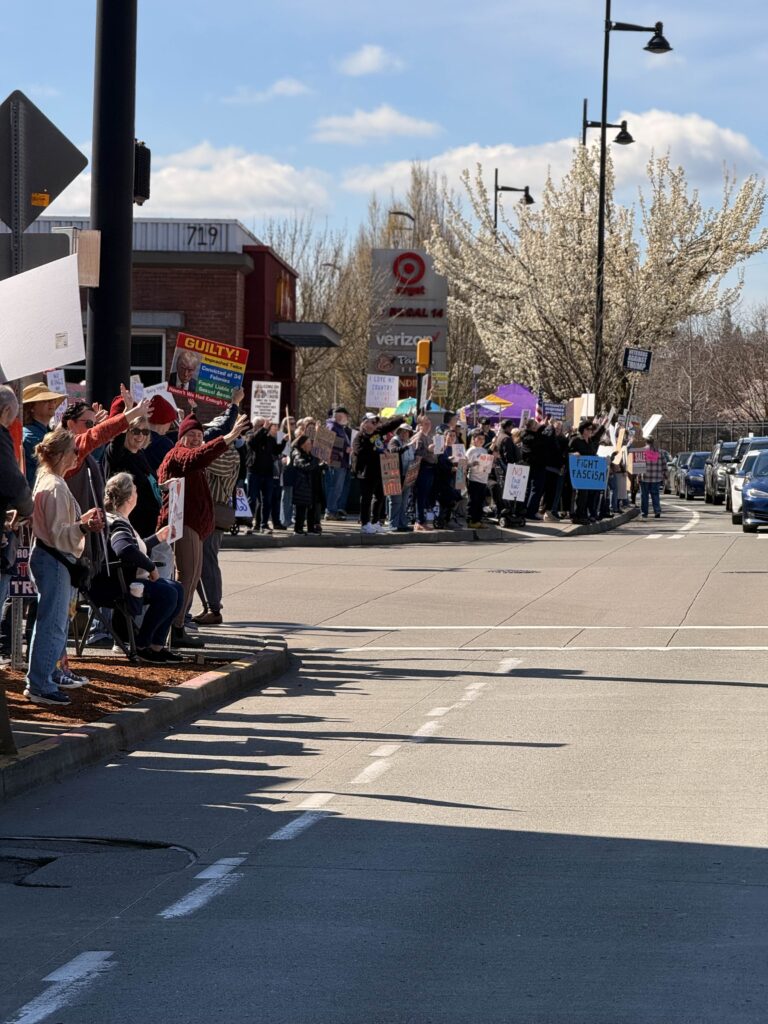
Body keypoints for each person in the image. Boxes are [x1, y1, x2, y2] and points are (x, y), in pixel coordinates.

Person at [157, 410, 249, 649]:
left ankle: (178, 627)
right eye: (191, 434)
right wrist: (228, 437)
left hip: (195, 525)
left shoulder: (192, 456)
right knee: (186, 576)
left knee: (192, 575)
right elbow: (198, 457)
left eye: (199, 435)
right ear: (181, 437)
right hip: (183, 523)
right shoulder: (179, 454)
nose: (196, 438)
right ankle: (174, 628)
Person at [26, 428, 104, 706]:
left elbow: (54, 528)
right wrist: (84, 526)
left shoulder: (47, 479)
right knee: (53, 625)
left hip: (48, 557)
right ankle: (41, 684)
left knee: (50, 622)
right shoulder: (55, 486)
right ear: (59, 455)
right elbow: (59, 534)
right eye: (74, 450)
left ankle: (44, 679)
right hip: (55, 559)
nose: (77, 455)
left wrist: (80, 522)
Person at [99, 472, 183, 664]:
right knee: (169, 593)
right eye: (136, 491)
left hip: (121, 579)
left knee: (176, 588)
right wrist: (151, 567)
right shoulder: (118, 523)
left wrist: (157, 538)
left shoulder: (117, 518)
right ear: (129, 498)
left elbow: (134, 547)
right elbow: (124, 549)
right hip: (118, 585)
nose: (138, 495)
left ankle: (156, 646)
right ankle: (143, 645)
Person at [103, 415, 160, 539]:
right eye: (136, 431)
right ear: (126, 431)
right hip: (132, 524)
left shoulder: (140, 453)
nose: (141, 436)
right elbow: (116, 443)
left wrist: (162, 486)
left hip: (149, 523)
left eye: (145, 431)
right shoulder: (118, 455)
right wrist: (127, 413)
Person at [352, 412, 405, 535]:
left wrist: (401, 419)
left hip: (379, 471)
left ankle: (375, 521)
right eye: (372, 422)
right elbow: (360, 452)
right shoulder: (359, 437)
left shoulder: (377, 433)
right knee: (366, 498)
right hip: (366, 472)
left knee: (379, 496)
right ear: (365, 423)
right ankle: (365, 523)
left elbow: (388, 426)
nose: (375, 424)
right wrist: (379, 452)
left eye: (375, 422)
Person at [22, 381, 67, 486]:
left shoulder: (46, 432)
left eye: (53, 400)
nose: (53, 403)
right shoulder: (30, 436)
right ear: (31, 407)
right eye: (46, 400)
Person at [247, 419, 284, 533]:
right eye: (262, 425)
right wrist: (263, 429)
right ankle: (249, 524)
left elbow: (276, 451)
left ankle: (264, 525)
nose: (266, 427)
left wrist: (283, 441)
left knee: (266, 500)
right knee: (252, 499)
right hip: (254, 472)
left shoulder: (270, 439)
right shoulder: (251, 435)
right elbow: (252, 442)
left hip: (267, 473)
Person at [324, 406, 352, 521]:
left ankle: (333, 510)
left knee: (337, 488)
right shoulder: (332, 427)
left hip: (340, 461)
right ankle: (331, 511)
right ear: (340, 416)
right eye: (346, 416)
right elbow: (328, 443)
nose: (347, 418)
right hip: (336, 461)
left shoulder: (338, 427)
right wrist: (345, 448)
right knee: (335, 487)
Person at [411, 415, 438, 531]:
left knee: (425, 495)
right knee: (421, 495)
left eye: (429, 423)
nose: (428, 426)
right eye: (426, 424)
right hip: (423, 468)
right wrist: (428, 450)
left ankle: (421, 520)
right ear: (420, 425)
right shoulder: (419, 437)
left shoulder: (429, 437)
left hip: (430, 468)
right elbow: (416, 454)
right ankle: (419, 521)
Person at [290, 435, 322, 534]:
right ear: (302, 445)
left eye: (310, 443)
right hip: (302, 485)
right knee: (301, 508)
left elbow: (314, 467)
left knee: (312, 507)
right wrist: (316, 460)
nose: (310, 445)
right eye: (308, 443)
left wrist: (323, 464)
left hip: (311, 484)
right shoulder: (298, 454)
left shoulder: (310, 455)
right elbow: (305, 467)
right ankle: (298, 529)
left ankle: (311, 528)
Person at [386, 422, 415, 532]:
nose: (405, 433)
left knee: (404, 502)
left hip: (407, 476)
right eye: (403, 431)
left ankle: (402, 524)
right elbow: (394, 451)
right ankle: (393, 524)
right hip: (395, 476)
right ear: (398, 431)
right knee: (395, 501)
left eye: (407, 432)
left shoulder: (408, 442)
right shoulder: (394, 441)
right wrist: (406, 447)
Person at [520, 418, 548, 520]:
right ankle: (531, 512)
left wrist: (540, 427)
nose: (538, 425)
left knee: (529, 489)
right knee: (536, 488)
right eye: (536, 424)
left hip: (531, 465)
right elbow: (542, 440)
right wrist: (542, 427)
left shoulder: (526, 435)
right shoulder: (531, 437)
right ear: (532, 427)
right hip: (536, 465)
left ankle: (525, 509)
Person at [568, 421, 594, 524]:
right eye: (588, 429)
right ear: (583, 430)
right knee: (579, 495)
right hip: (577, 473)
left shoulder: (590, 441)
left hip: (587, 474)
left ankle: (583, 514)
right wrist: (573, 454)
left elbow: (592, 455)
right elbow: (566, 452)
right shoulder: (575, 440)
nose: (590, 431)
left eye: (591, 429)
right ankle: (576, 515)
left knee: (586, 494)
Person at [144, 396, 179, 474]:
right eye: (170, 422)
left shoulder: (137, 437)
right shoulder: (164, 443)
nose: (170, 425)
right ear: (165, 421)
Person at [466, 429, 492, 528]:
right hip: (474, 479)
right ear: (474, 439)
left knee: (480, 501)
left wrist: (490, 465)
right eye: (479, 438)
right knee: (473, 501)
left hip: (483, 479)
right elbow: (464, 464)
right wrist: (471, 464)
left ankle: (478, 520)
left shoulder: (484, 450)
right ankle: (471, 520)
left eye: (483, 439)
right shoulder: (471, 450)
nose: (481, 440)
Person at [638, 436, 668, 519]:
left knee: (644, 496)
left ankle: (644, 513)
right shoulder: (659, 452)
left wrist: (638, 476)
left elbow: (639, 465)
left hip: (645, 477)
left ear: (646, 441)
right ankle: (657, 511)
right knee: (655, 495)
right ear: (653, 442)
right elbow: (664, 464)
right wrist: (665, 474)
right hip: (656, 478)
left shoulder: (642, 451)